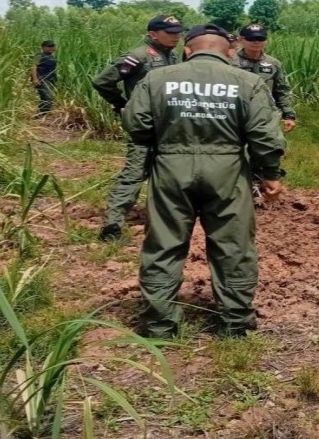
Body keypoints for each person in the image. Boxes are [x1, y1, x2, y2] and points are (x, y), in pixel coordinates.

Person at [122, 24, 286, 338]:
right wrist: (270, 174)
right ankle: (235, 323)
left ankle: (159, 325)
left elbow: (137, 126)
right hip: (227, 169)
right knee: (233, 245)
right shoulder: (248, 81)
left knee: (164, 244)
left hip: (171, 165)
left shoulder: (156, 79)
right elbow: (264, 136)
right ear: (229, 52)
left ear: (187, 49)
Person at [91, 14, 183, 241]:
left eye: (178, 33)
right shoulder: (138, 56)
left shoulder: (173, 57)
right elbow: (103, 81)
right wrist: (122, 105)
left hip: (169, 126)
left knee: (168, 172)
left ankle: (164, 218)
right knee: (134, 173)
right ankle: (112, 225)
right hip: (145, 125)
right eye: (170, 33)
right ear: (152, 34)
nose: (176, 37)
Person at [234, 24, 297, 132]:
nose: (256, 42)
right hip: (236, 113)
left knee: (268, 146)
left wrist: (289, 115)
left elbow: (281, 90)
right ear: (241, 40)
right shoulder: (229, 62)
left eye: (260, 38)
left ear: (266, 41)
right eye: (251, 38)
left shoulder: (273, 63)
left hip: (264, 114)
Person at [32, 40, 58, 116]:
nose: (52, 48)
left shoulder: (52, 57)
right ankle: (41, 115)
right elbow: (33, 67)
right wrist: (35, 79)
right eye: (49, 46)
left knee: (49, 97)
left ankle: (44, 114)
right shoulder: (38, 56)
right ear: (43, 47)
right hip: (42, 79)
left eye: (53, 46)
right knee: (47, 97)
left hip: (51, 79)